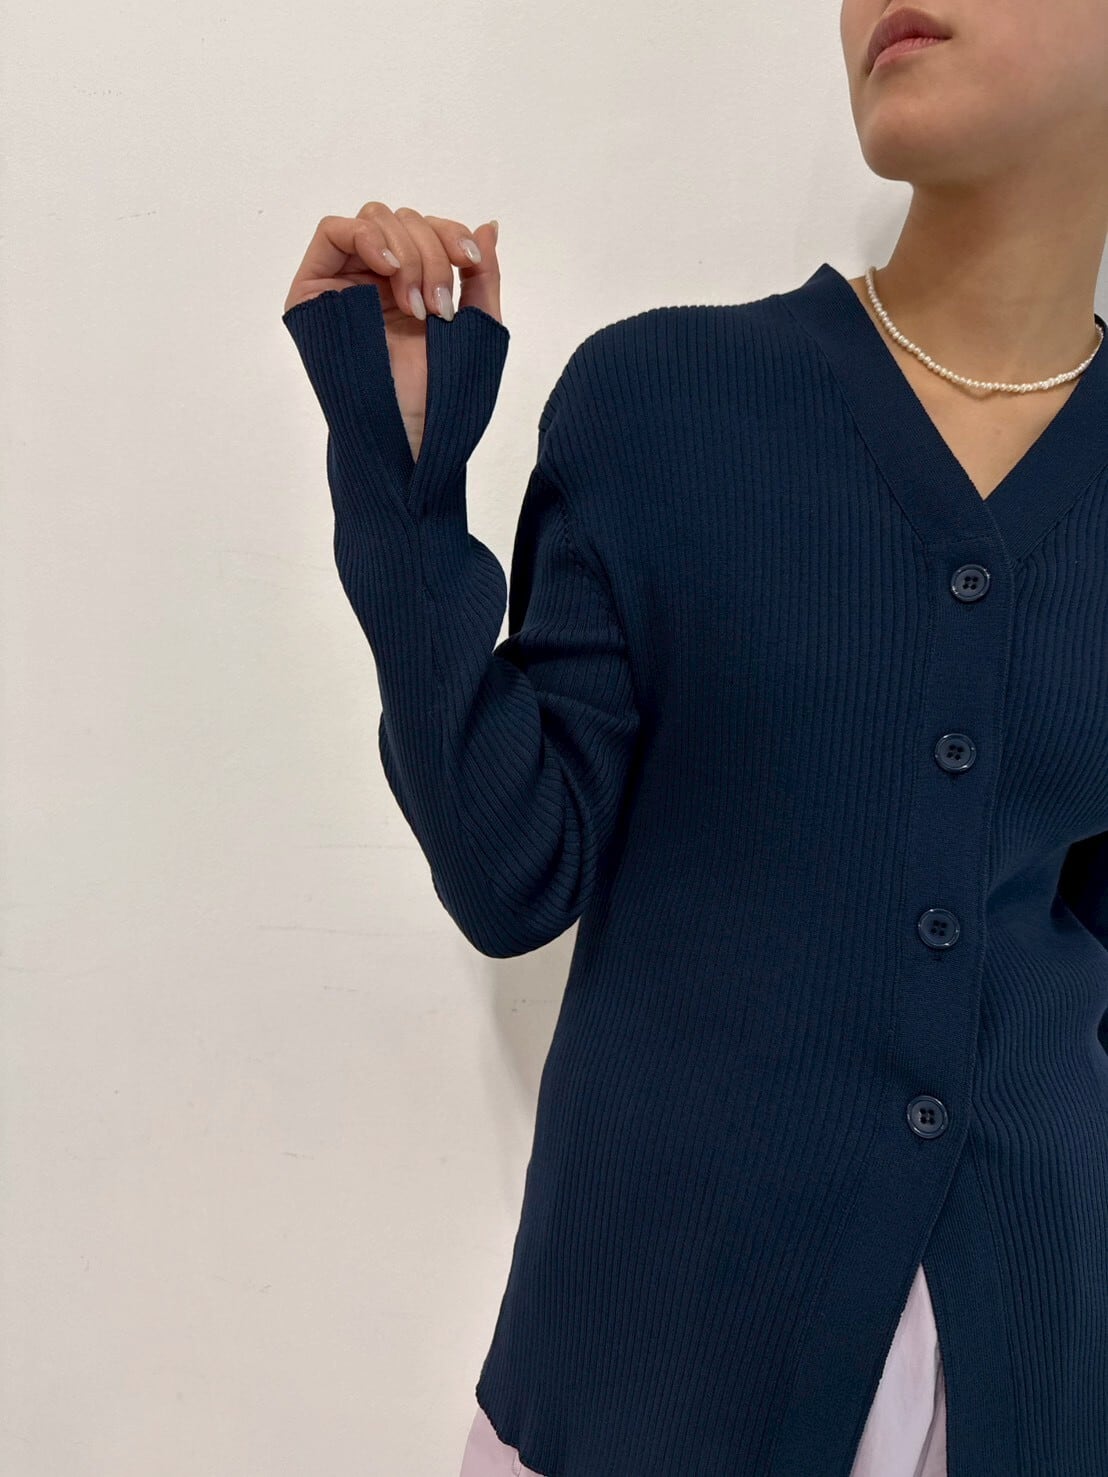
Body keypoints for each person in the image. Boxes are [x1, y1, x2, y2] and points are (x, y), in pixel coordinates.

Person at [279, 0, 1108, 1470]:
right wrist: (401, 488)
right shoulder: (664, 404)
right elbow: (514, 872)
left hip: (1031, 1385)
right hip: (648, 1378)